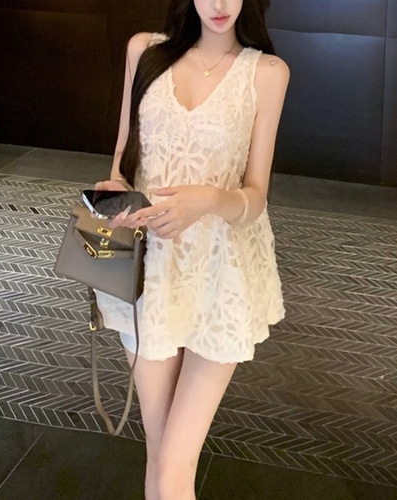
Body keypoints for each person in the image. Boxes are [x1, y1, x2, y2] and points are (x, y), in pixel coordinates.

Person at [95, 0, 289, 498]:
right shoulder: (144, 51)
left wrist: (206, 200)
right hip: (148, 271)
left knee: (175, 462)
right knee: (161, 456)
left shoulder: (266, 73)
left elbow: (256, 197)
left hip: (220, 272)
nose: (219, 4)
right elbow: (122, 163)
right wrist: (114, 195)